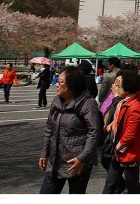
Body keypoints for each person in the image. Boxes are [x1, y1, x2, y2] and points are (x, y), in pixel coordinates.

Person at [39, 66, 102, 194]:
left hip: (77, 162)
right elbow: (49, 128)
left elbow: (94, 133)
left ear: (72, 85)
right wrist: (44, 153)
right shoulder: (57, 101)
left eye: (60, 82)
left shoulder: (87, 104)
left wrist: (82, 158)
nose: (56, 84)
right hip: (55, 159)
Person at [102, 70, 140, 194]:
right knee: (109, 185)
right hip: (119, 151)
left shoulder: (135, 107)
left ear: (127, 89)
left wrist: (117, 149)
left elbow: (130, 135)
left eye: (119, 86)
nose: (117, 88)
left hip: (129, 153)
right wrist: (112, 124)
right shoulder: (124, 102)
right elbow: (120, 120)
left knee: (133, 186)